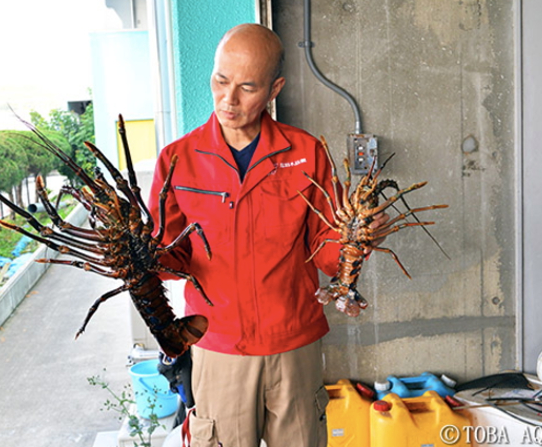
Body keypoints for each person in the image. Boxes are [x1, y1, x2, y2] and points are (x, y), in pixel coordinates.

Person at [148, 23, 385, 447]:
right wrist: (142, 256)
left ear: (274, 89)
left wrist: (358, 241)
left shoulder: (307, 152)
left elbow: (327, 252)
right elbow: (168, 261)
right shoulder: (177, 160)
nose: (229, 99)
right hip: (217, 344)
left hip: (293, 344)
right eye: (221, 81)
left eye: (248, 87)